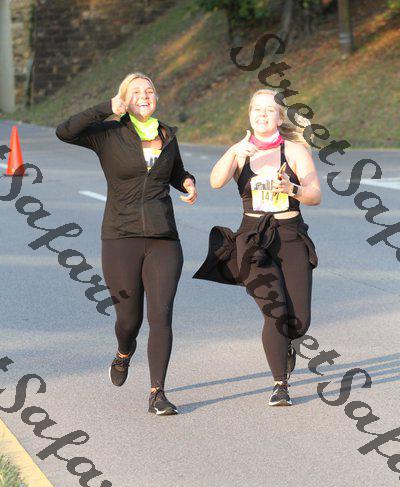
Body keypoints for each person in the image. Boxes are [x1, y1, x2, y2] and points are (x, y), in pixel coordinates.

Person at [56, 72, 197, 416]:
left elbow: (175, 171)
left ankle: (157, 393)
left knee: (161, 316)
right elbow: (65, 131)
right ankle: (123, 352)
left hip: (163, 237)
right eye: (136, 91)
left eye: (149, 90)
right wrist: (106, 108)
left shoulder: (167, 134)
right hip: (120, 237)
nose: (144, 95)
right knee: (129, 321)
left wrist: (187, 182)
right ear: (124, 98)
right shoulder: (109, 133)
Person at [193, 88, 321, 406]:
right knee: (274, 312)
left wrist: (292, 188)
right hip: (252, 241)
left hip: (290, 236)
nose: (262, 114)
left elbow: (315, 194)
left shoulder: (293, 151)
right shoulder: (241, 152)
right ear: (249, 114)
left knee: (299, 321)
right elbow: (216, 181)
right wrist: (234, 150)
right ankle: (280, 384)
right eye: (257, 109)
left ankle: (287, 343)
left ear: (279, 117)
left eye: (269, 110)